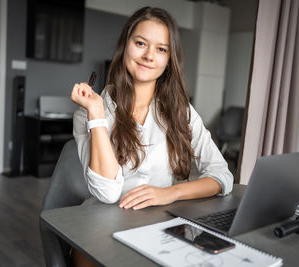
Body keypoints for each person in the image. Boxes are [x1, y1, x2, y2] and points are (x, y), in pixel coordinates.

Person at [70, 6, 233, 266]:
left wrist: (171, 193)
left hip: (160, 224)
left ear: (169, 59)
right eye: (140, 43)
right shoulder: (89, 113)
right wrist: (97, 114)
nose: (148, 55)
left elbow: (222, 176)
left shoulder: (182, 112)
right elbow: (108, 193)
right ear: (126, 46)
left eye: (161, 49)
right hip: (100, 227)